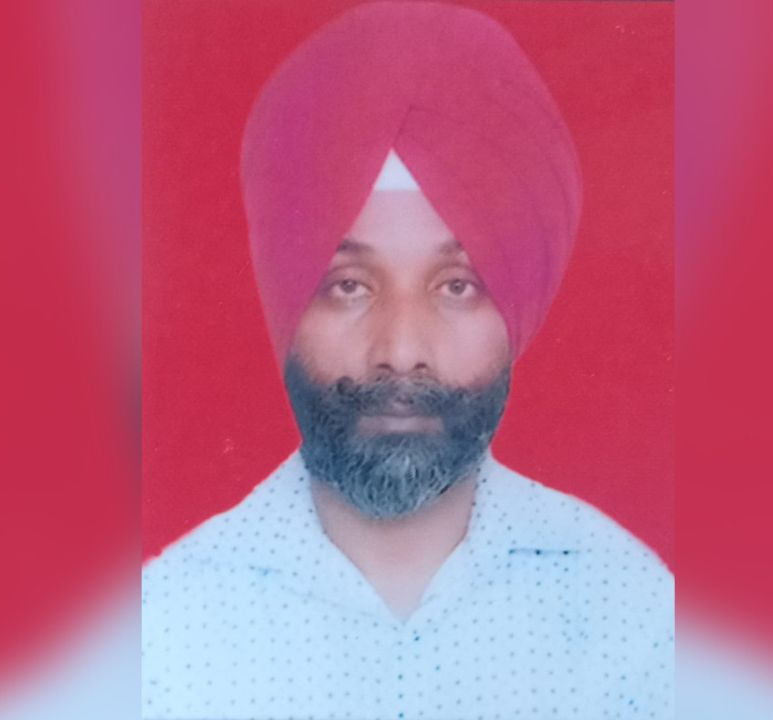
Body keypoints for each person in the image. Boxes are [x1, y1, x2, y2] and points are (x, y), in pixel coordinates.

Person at [142, 3, 672, 718]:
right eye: (349, 287)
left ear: (514, 309)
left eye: (456, 287)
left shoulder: (631, 617)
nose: (399, 350)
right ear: (285, 302)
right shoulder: (163, 636)